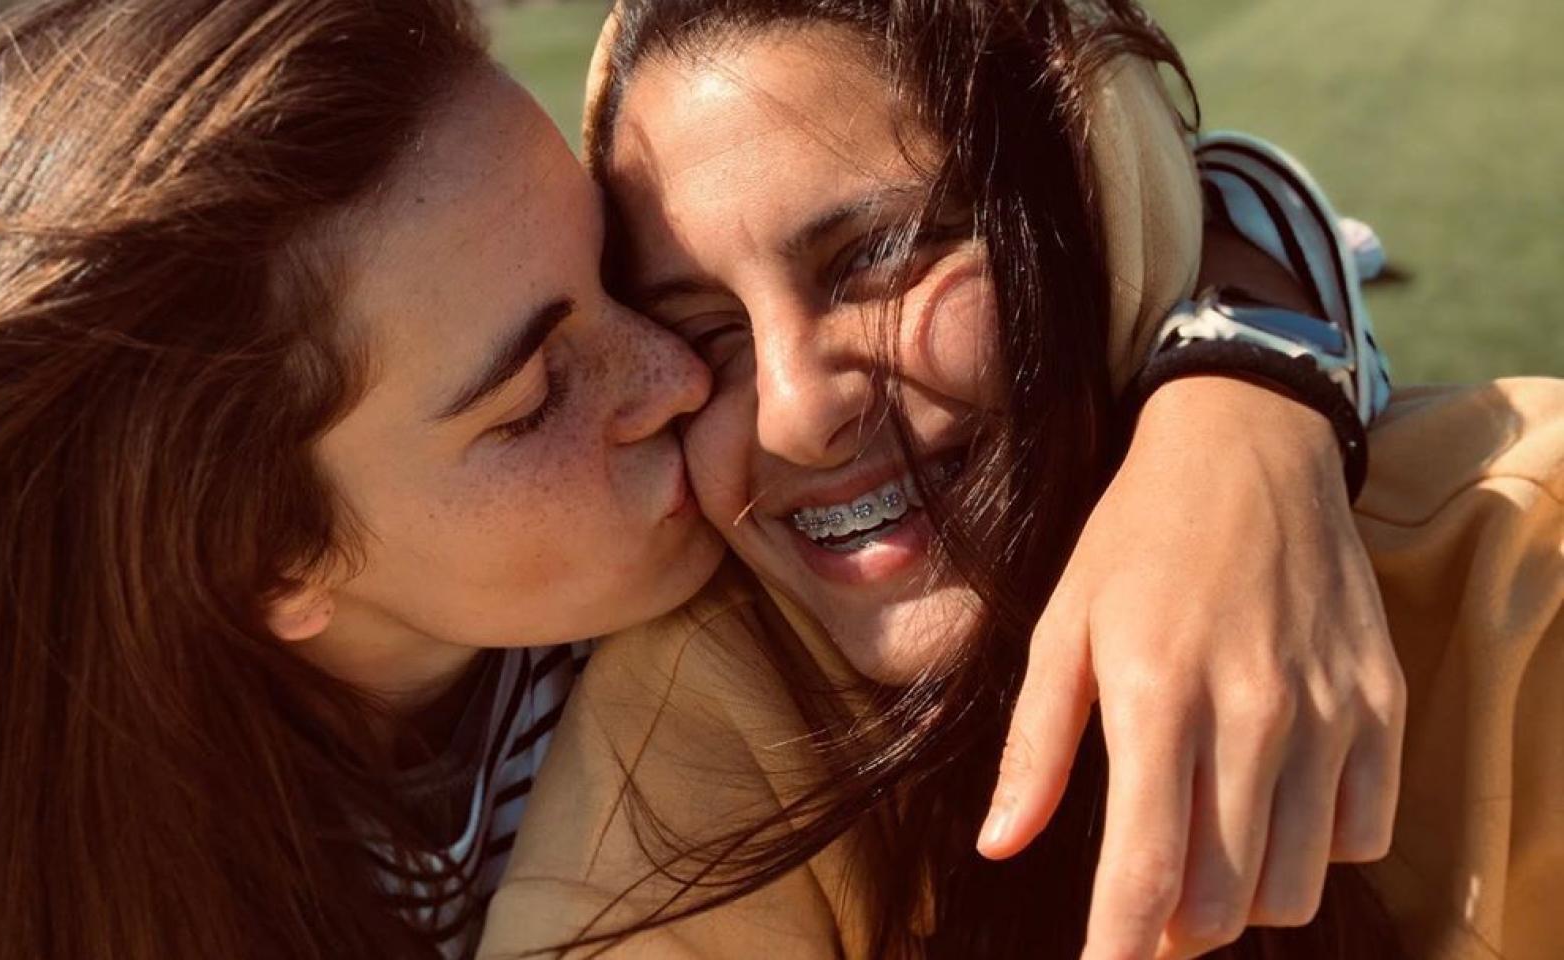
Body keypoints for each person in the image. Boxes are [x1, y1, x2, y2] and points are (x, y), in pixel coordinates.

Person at [0, 0, 1416, 956]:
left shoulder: (684, 590)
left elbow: (1159, 193)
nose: (687, 384)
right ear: (267, 556)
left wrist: (1241, 411)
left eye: (614, 282)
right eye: (536, 394)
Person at [479, 0, 1563, 957]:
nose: (797, 414)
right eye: (701, 327)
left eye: (879, 257)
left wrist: (1244, 400)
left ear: (1098, 208)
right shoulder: (711, 703)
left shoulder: (1520, 559)